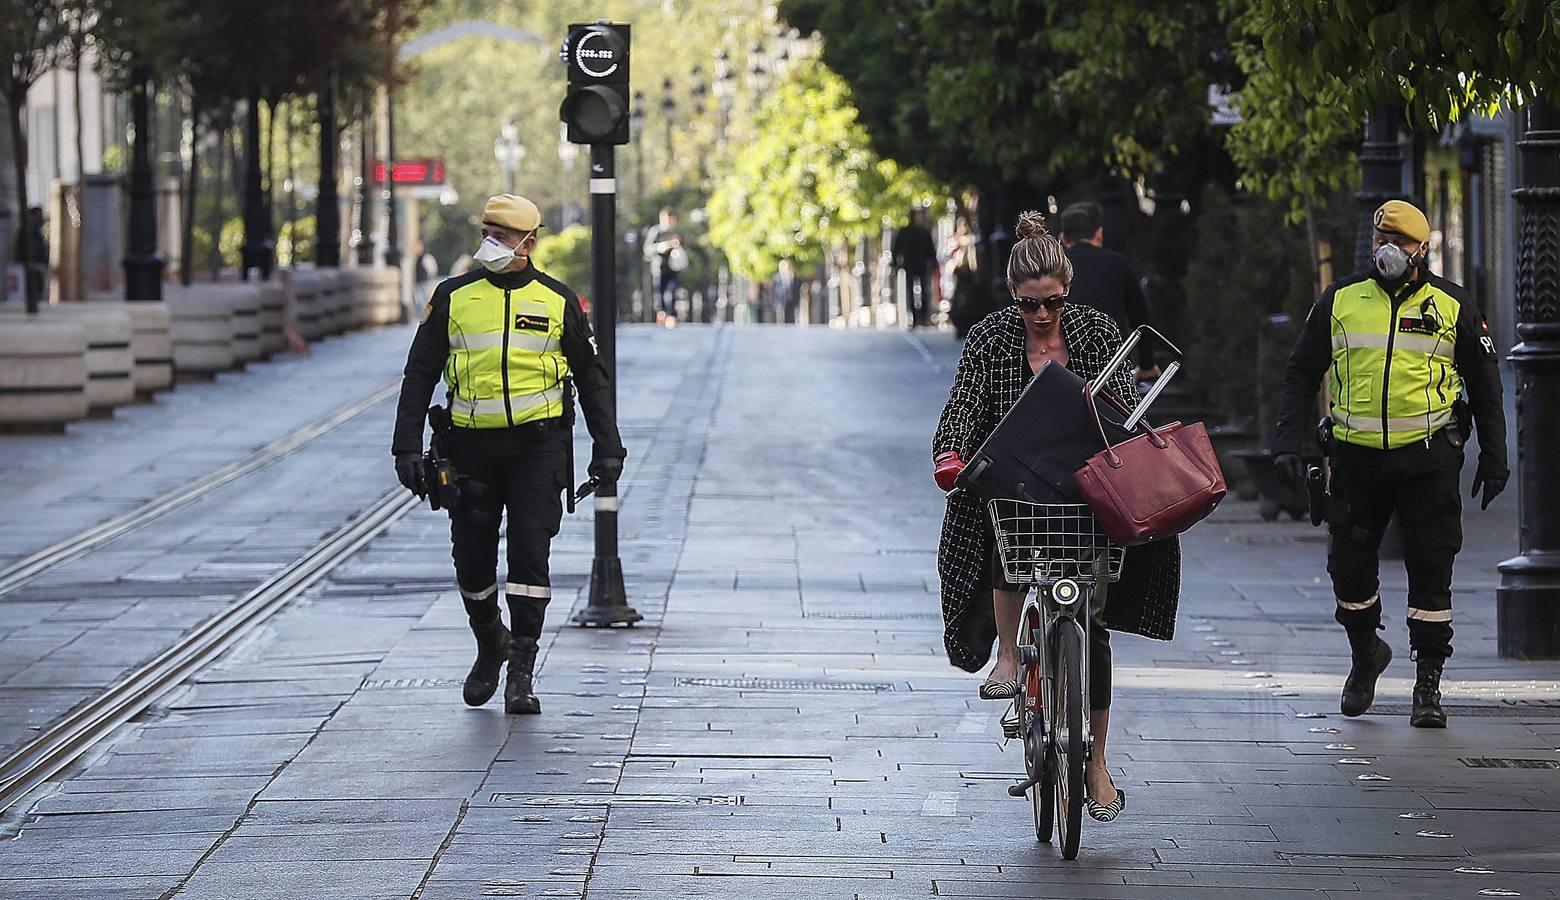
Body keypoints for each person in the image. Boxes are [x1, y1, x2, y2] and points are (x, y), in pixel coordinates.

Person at [931, 211, 1182, 822]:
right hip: (1014, 482)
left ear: (1067, 291)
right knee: (992, 514)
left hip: (1084, 487)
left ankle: (1095, 761)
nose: (1042, 315)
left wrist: (1149, 441)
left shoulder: (1095, 333)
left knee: (1092, 626)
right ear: (1013, 297)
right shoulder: (991, 339)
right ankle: (1010, 660)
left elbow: (1122, 401)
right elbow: (963, 405)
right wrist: (952, 453)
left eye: (1053, 302)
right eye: (1029, 304)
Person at [1272, 199, 1506, 729]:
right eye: (1382, 239)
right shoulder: (1341, 299)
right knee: (1348, 570)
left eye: (1401, 242)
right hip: (1357, 462)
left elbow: (1486, 384)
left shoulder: (1452, 304)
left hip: (1428, 461)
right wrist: (1287, 443)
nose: (1390, 250)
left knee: (1432, 570)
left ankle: (1428, 686)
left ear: (1422, 249)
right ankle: (1366, 654)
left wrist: (1495, 456)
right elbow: (1301, 373)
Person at [391, 193, 627, 715]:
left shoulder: (556, 300)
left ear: (528, 242)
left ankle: (521, 667)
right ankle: (489, 642)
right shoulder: (453, 297)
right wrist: (405, 446)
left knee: (529, 558)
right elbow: (420, 373)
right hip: (469, 450)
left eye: (502, 236)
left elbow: (591, 380)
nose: (491, 243)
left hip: (536, 450)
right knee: (472, 564)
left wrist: (607, 447)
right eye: (487, 233)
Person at [1058, 201, 1157, 380]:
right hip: (1112, 364)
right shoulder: (1118, 264)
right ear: (1099, 233)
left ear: (1064, 238)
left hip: (1064, 364)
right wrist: (1147, 364)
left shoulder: (1055, 268)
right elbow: (1141, 319)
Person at [892, 208, 938, 327]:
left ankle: (921, 317)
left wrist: (895, 264)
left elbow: (930, 249)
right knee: (916, 291)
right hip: (914, 264)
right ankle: (919, 318)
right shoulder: (918, 231)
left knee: (921, 291)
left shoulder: (920, 231)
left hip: (916, 264)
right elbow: (897, 248)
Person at [644, 208, 686, 327]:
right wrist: (661, 247)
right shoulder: (656, 231)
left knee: (672, 291)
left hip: (674, 267)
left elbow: (684, 245)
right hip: (659, 267)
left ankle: (672, 315)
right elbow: (647, 249)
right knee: (660, 293)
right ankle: (662, 313)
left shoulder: (677, 231)